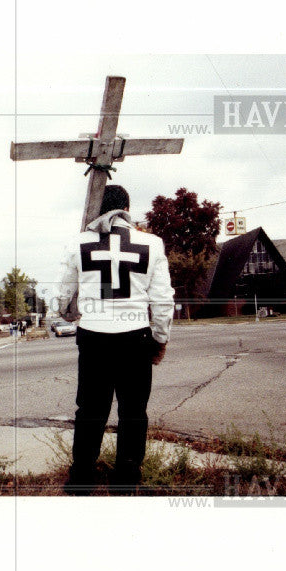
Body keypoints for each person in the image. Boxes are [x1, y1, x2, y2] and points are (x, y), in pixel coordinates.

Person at [55, 185, 174, 494]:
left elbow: (65, 298)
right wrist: (159, 339)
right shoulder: (152, 244)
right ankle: (126, 479)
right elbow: (163, 301)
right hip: (136, 337)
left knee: (90, 411)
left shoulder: (79, 243)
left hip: (94, 337)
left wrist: (72, 316)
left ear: (97, 208)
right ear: (127, 209)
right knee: (134, 411)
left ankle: (81, 479)